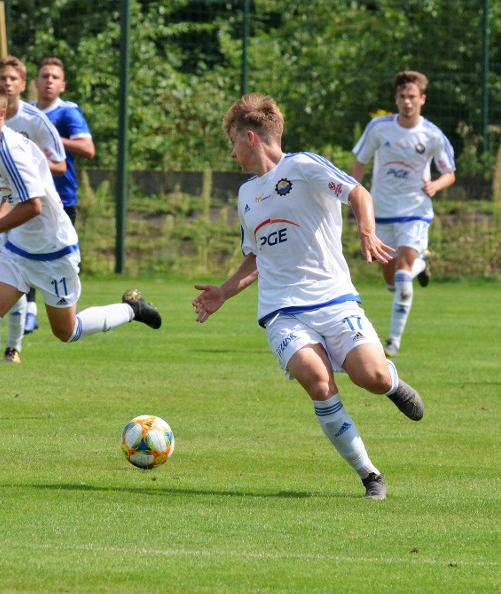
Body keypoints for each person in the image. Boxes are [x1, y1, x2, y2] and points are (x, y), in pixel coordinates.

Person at [192, 94, 424, 500]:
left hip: (333, 299)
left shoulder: (302, 166)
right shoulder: (247, 196)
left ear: (250, 137)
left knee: (372, 376)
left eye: (232, 141)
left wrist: (367, 231)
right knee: (319, 382)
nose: (231, 152)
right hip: (282, 311)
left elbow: (358, 193)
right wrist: (223, 293)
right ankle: (370, 475)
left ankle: (392, 383)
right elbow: (256, 257)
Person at [0, 79, 161, 420]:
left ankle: (131, 309)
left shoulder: (9, 149)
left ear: (2, 114)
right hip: (19, 249)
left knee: (67, 332)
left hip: (52, 253)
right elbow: (13, 194)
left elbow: (33, 206)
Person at [0, 55, 67, 364]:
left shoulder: (33, 123)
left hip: (26, 208)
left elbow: (58, 164)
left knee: (67, 329)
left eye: (11, 78)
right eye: (0, 77)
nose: (6, 82)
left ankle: (13, 344)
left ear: (20, 85)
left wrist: (34, 164)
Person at [352, 71, 456, 358]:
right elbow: (359, 162)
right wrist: (356, 193)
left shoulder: (432, 135)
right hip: (382, 212)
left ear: (422, 99)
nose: (407, 102)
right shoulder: (378, 128)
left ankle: (392, 344)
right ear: (396, 99)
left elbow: (450, 173)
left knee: (401, 279)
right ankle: (420, 267)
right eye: (402, 97)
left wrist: (436, 183)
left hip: (415, 212)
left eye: (412, 97)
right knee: (391, 280)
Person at [26, 56, 97, 335]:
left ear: (63, 85)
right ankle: (29, 310)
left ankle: (67, 309)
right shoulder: (26, 112)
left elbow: (88, 149)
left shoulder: (67, 113)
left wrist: (53, 137)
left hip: (61, 200)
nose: (49, 81)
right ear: (35, 82)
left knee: (61, 258)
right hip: (29, 197)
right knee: (24, 250)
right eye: (44, 76)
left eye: (55, 77)